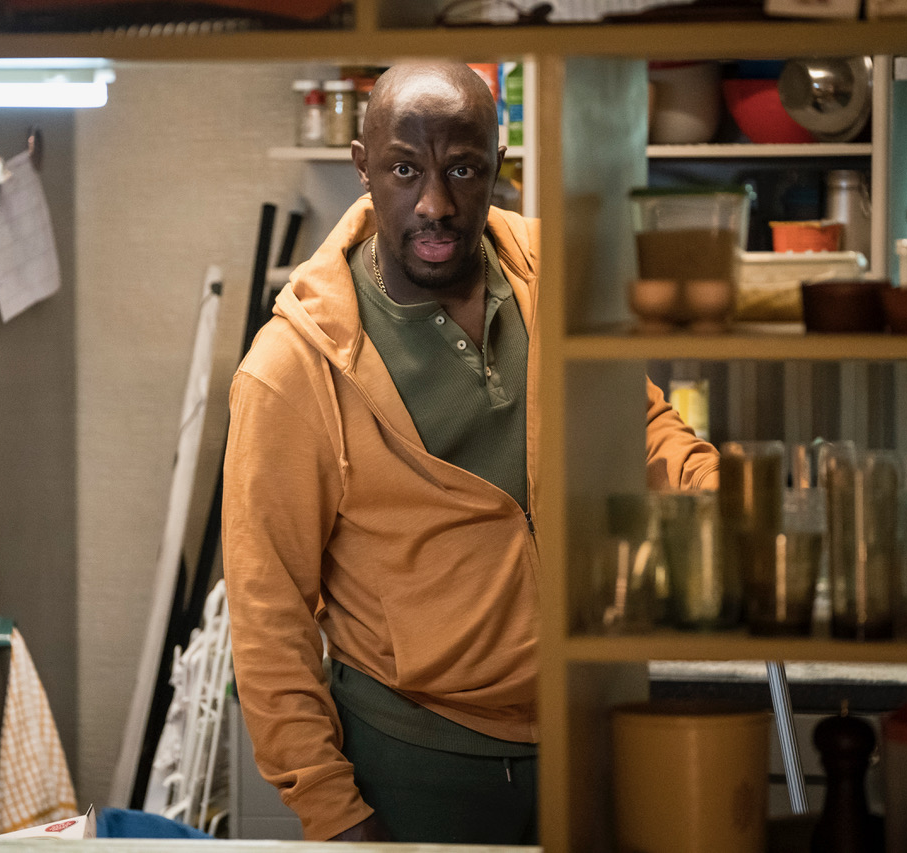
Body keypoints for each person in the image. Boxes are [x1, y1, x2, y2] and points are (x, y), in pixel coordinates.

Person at [221, 62, 719, 845]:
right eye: (404, 169)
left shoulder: (550, 268)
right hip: (416, 764)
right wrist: (335, 814)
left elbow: (637, 426)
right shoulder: (291, 370)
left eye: (462, 168)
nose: (436, 204)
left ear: (496, 162)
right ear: (363, 167)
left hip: (590, 727)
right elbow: (266, 615)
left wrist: (717, 488)